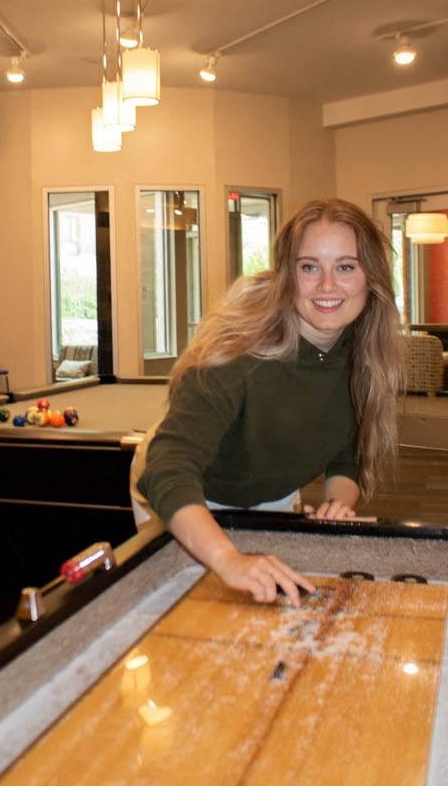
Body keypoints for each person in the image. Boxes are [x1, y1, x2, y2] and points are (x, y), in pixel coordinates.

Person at [134, 198, 404, 608]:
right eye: (309, 267)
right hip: (184, 496)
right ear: (287, 277)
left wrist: (337, 505)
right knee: (191, 613)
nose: (327, 286)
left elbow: (347, 454)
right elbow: (169, 468)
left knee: (265, 613)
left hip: (271, 495)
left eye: (346, 267)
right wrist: (227, 559)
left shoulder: (364, 355)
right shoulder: (237, 353)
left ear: (372, 277)